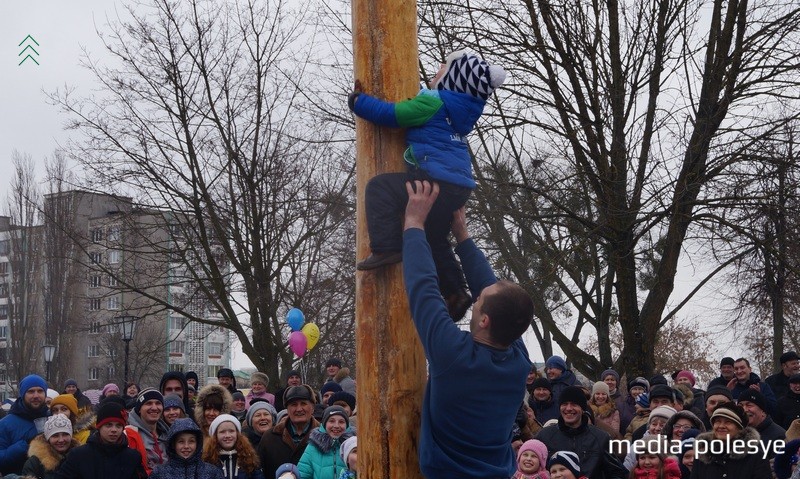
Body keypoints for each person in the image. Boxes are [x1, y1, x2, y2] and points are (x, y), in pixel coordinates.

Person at [349, 51, 507, 321]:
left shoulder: (433, 103)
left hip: (436, 181)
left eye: (441, 71)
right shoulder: (461, 113)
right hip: (458, 188)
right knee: (435, 239)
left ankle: (387, 247)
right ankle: (456, 292)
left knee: (380, 188)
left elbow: (393, 114)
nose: (434, 75)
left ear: (453, 79)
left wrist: (358, 102)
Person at [402, 181, 534, 478]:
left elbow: (423, 286)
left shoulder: (453, 355)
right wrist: (463, 237)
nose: (474, 300)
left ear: (485, 320)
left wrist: (413, 222)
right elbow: (492, 292)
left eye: (479, 302)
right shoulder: (517, 360)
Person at [536, 386, 627, 478]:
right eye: (564, 404)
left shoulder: (600, 438)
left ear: (583, 408)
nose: (568, 408)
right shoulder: (544, 436)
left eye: (574, 404)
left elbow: (616, 473)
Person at [55, 401, 147, 479]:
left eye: (118, 425)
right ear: (99, 427)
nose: (114, 430)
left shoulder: (132, 457)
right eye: (108, 425)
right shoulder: (79, 455)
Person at [690, 401, 771, 478]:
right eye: (717, 421)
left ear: (739, 428)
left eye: (728, 422)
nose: (721, 426)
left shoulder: (755, 457)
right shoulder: (703, 454)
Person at [258, 385, 320, 479]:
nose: (299, 409)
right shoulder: (270, 437)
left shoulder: (324, 437)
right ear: (287, 409)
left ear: (312, 407)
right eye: (293, 404)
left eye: (303, 403)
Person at [0, 374, 51, 475]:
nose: (36, 395)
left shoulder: (52, 418)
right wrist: (25, 445)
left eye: (40, 391)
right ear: (22, 394)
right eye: (31, 391)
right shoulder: (5, 424)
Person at [149, 418, 224, 479]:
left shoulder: (212, 472)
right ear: (173, 444)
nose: (186, 446)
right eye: (181, 441)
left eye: (191, 441)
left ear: (197, 444)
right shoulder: (159, 473)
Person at [297, 406, 354, 479]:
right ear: (324, 424)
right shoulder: (313, 448)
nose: (336, 426)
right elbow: (302, 475)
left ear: (347, 425)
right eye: (331, 421)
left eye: (341, 422)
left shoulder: (354, 447)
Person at [18, 414, 79, 479]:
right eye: (55, 435)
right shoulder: (34, 463)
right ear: (48, 438)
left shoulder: (80, 458)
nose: (61, 440)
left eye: (65, 434)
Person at [202, 414, 264, 479]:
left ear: (237, 434)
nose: (227, 435)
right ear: (215, 436)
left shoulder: (249, 458)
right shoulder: (207, 460)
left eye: (231, 431)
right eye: (222, 432)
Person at [125, 388, 168, 475]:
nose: (154, 408)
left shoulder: (168, 434)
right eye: (148, 403)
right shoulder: (129, 434)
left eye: (158, 403)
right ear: (139, 409)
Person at [737, 388, 785, 459]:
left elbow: (777, 466)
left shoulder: (779, 436)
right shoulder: (736, 433)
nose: (744, 409)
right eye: (740, 406)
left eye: (749, 405)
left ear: (762, 411)